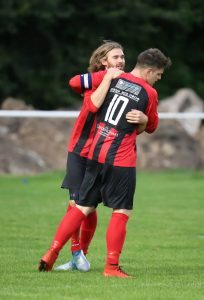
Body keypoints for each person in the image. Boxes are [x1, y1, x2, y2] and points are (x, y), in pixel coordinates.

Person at [38, 48, 171, 278]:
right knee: (122, 210)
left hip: (95, 153)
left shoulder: (112, 78)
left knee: (82, 207)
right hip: (121, 159)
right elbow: (150, 127)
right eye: (158, 74)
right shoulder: (149, 92)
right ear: (149, 70)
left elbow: (83, 92)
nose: (158, 79)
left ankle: (51, 253)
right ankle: (111, 267)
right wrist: (146, 119)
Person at [55, 40, 146, 272]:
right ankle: (76, 253)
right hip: (80, 150)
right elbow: (74, 82)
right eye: (116, 57)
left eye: (123, 57)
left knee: (89, 206)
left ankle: (79, 254)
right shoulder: (98, 80)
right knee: (76, 203)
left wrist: (143, 120)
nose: (121, 61)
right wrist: (105, 76)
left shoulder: (125, 84)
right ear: (103, 61)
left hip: (102, 152)